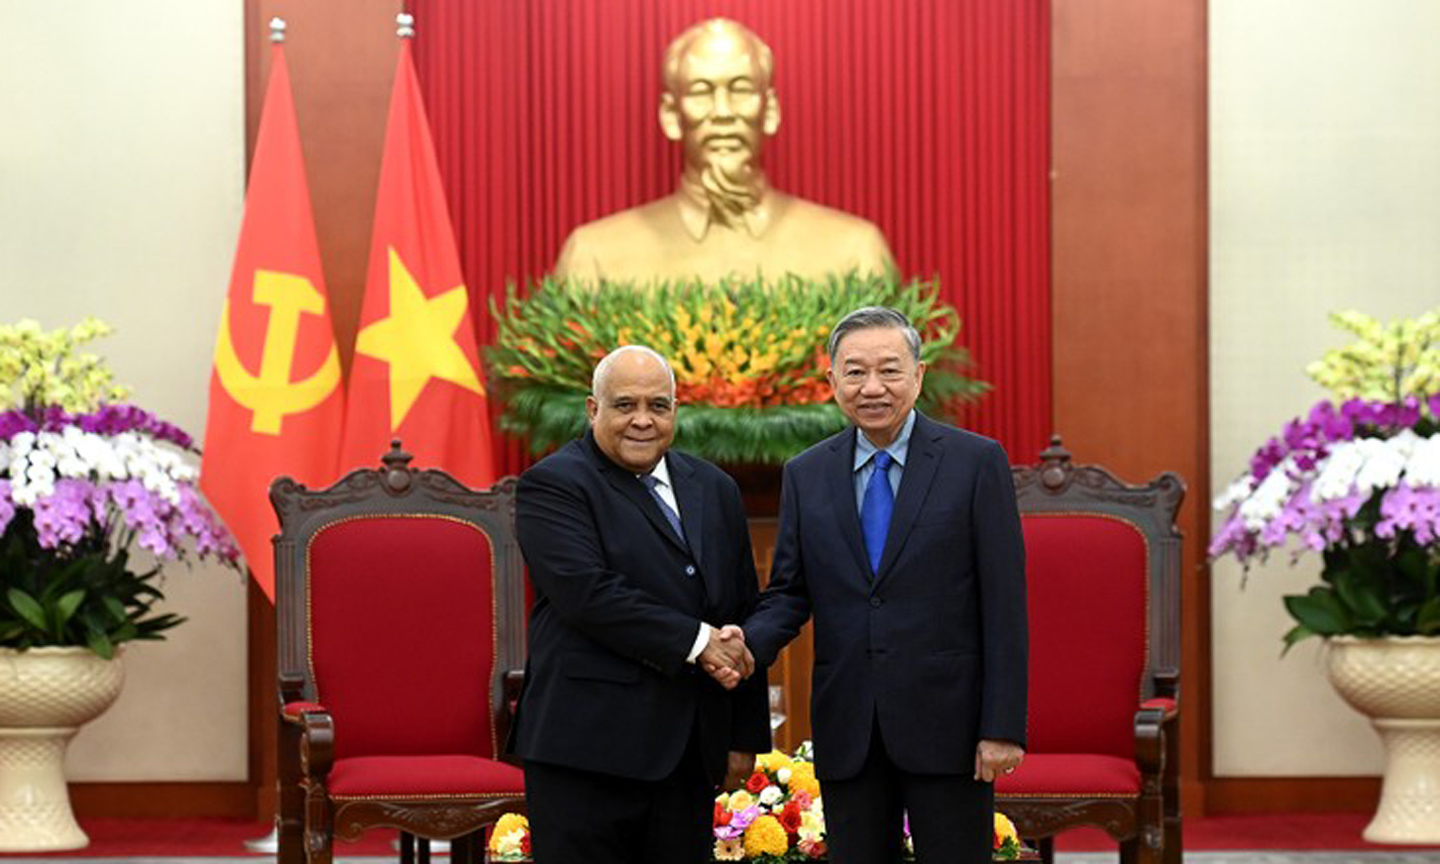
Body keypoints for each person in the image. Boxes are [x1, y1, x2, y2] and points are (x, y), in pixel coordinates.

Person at [728, 306, 1029, 863]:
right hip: (850, 727)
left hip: (951, 727)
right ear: (832, 382)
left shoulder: (975, 463)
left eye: (889, 370)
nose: (873, 387)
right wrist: (743, 646)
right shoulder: (807, 472)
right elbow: (791, 590)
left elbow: (1004, 604)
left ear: (917, 375)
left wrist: (1002, 725)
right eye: (855, 372)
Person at [508, 345, 770, 864]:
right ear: (592, 409)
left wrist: (745, 735)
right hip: (587, 752)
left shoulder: (714, 487)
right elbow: (588, 593)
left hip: (689, 755)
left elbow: (741, 606)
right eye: (625, 405)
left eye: (659, 405)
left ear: (676, 410)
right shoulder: (555, 484)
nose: (643, 421)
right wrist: (700, 643)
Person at [553, 18, 894, 285]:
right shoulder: (594, 257)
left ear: (770, 109)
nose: (723, 111)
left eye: (741, 89)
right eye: (701, 91)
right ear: (671, 115)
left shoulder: (855, 252)